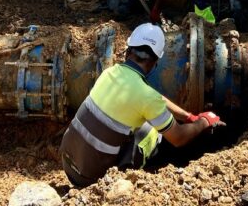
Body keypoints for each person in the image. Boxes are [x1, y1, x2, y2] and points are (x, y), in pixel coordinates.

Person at [60, 23, 223, 187]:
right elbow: (179, 138)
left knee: (139, 121)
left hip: (68, 162)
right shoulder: (146, 98)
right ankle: (144, 171)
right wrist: (203, 121)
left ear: (129, 52)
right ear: (154, 63)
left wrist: (188, 116)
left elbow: (155, 98)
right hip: (90, 178)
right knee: (154, 131)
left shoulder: (110, 72)